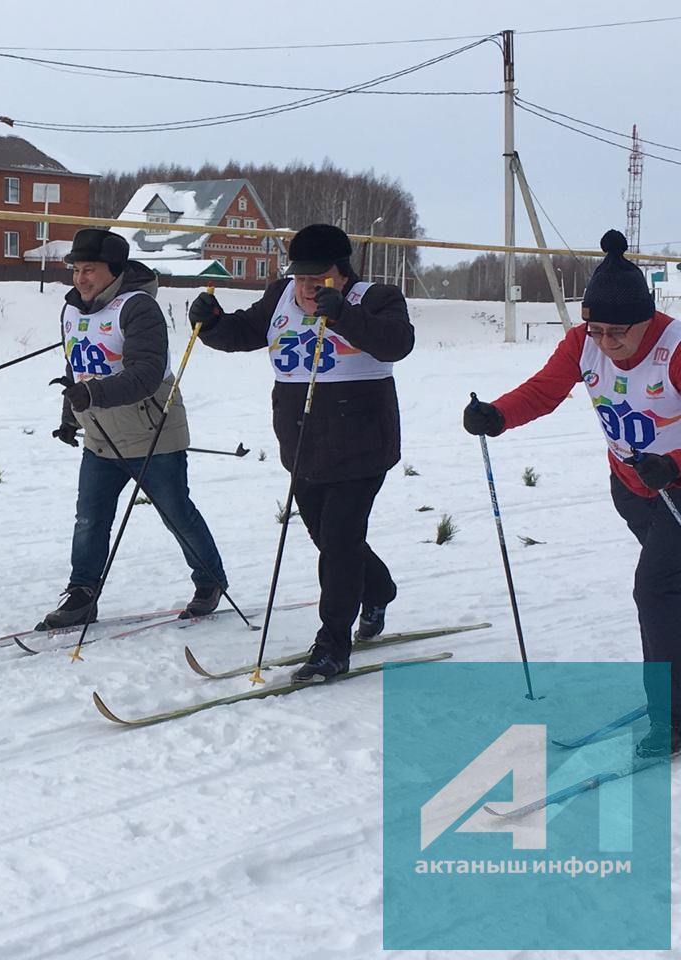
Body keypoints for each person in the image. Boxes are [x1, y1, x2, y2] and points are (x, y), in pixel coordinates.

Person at [463, 230, 681, 759]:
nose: (604, 343)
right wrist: (497, 415)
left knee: (655, 591)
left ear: (646, 321)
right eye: (596, 330)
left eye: (616, 334)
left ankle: (670, 719)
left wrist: (672, 464)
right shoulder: (582, 342)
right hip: (632, 490)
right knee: (670, 594)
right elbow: (544, 390)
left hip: (675, 490)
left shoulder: (675, 349)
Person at [190, 223, 415, 681]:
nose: (310, 286)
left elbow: (399, 343)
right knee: (330, 539)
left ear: (342, 271)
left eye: (321, 277)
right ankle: (378, 589)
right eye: (302, 276)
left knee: (338, 540)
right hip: (302, 445)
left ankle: (333, 643)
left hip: (363, 447)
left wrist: (344, 317)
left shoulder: (375, 298)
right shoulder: (280, 296)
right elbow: (243, 332)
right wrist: (211, 322)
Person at [42, 228, 229, 629]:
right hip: (101, 437)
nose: (81, 278)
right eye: (77, 269)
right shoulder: (71, 310)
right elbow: (77, 369)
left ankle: (209, 580)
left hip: (153, 432)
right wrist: (70, 416)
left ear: (114, 270)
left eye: (90, 270)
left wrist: (91, 398)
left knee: (175, 512)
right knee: (90, 518)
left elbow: (144, 374)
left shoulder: (139, 308)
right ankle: (82, 594)